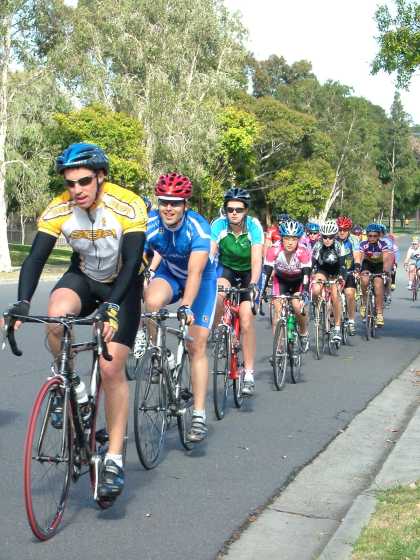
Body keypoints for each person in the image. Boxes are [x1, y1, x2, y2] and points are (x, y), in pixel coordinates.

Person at [7, 142, 147, 500]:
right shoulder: (59, 208)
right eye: (70, 183)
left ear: (101, 176)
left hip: (122, 284)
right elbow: (36, 258)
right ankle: (75, 388)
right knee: (56, 317)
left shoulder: (127, 204)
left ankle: (114, 457)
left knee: (111, 367)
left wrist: (112, 306)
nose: (77, 190)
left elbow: (133, 262)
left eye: (84, 181)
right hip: (84, 277)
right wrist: (22, 302)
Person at [143, 172, 216, 443]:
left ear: (185, 204)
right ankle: (159, 355)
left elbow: (195, 273)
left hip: (201, 280)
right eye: (164, 202)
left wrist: (186, 306)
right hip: (171, 273)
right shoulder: (151, 224)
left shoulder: (198, 228)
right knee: (151, 301)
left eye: (175, 203)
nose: (168, 208)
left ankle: (198, 414)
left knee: (196, 345)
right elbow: (137, 258)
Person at [211, 187, 263, 396]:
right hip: (227, 269)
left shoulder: (254, 227)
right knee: (217, 294)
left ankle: (248, 373)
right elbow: (211, 254)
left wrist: (254, 284)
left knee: (246, 318)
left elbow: (257, 259)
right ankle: (219, 329)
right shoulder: (218, 225)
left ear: (246, 210)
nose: (233, 213)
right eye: (229, 209)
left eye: (238, 209)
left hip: (249, 272)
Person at [263, 220, 311, 351]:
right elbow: (267, 273)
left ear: (298, 239)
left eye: (294, 239)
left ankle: (303, 332)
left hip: (298, 281)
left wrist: (305, 291)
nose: (290, 242)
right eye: (287, 238)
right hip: (281, 280)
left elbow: (306, 274)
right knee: (278, 311)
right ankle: (278, 348)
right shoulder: (274, 250)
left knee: (297, 305)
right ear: (281, 238)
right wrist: (263, 290)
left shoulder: (302, 251)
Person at [311, 220, 342, 342]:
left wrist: (342, 276)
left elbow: (343, 263)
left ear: (335, 236)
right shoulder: (318, 245)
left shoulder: (338, 245)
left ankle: (337, 328)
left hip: (335, 272)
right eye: (325, 237)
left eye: (330, 237)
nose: (327, 240)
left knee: (334, 295)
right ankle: (317, 306)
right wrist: (308, 275)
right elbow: (312, 262)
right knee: (315, 288)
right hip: (322, 270)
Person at [356, 223, 393, 327]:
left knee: (378, 286)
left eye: (375, 236)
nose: (372, 238)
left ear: (379, 236)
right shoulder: (363, 244)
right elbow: (360, 257)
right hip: (367, 264)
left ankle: (379, 313)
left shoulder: (383, 244)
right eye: (370, 236)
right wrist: (358, 268)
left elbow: (386, 259)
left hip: (379, 265)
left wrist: (386, 270)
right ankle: (364, 303)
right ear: (367, 235)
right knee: (364, 280)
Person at [336, 216, 359, 335]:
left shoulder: (354, 239)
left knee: (350, 294)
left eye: (344, 230)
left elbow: (357, 255)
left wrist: (357, 267)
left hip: (349, 270)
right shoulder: (332, 238)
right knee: (334, 297)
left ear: (349, 230)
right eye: (340, 229)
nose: (342, 232)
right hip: (335, 272)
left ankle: (351, 321)